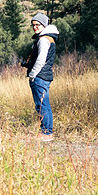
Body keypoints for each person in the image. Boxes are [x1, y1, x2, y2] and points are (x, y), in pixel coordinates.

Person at [25, 12, 59, 141]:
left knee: (42, 105)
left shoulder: (44, 39)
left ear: (44, 25)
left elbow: (41, 60)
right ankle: (46, 131)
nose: (35, 27)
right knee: (43, 104)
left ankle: (46, 133)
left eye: (38, 25)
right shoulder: (48, 38)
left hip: (40, 77)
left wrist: (33, 74)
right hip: (44, 76)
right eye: (33, 25)